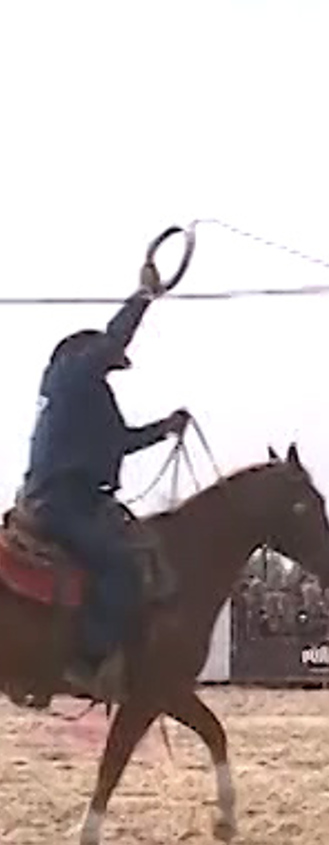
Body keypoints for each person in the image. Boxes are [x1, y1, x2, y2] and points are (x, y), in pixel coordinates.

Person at [21, 258, 190, 703]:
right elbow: (114, 337)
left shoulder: (83, 392)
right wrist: (143, 296)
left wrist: (163, 428)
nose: (113, 364)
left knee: (132, 548)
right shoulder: (73, 375)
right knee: (119, 566)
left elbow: (119, 443)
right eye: (109, 359)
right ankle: (86, 661)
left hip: (68, 498)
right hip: (62, 502)